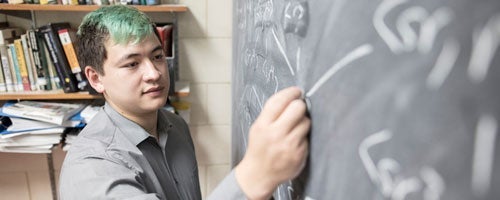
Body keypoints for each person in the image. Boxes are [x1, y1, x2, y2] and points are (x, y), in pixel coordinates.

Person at [59, 5, 310, 200]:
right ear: (95, 78)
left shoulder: (175, 126)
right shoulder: (92, 167)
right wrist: (255, 175)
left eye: (157, 56)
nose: (154, 73)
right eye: (132, 64)